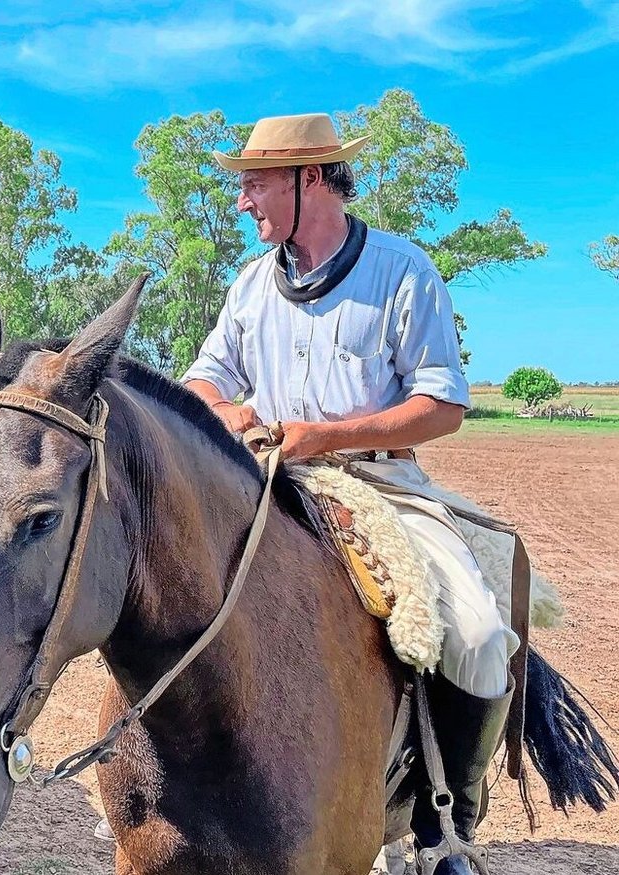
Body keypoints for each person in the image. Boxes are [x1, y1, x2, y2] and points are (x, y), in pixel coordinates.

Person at [95, 114, 517, 874]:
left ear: (309, 179)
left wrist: (324, 434)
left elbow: (443, 406)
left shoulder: (403, 270)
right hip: (268, 484)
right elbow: (201, 381)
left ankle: (444, 823)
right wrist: (226, 412)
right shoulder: (252, 286)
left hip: (383, 483)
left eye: (255, 182)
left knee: (483, 636)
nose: (243, 200)